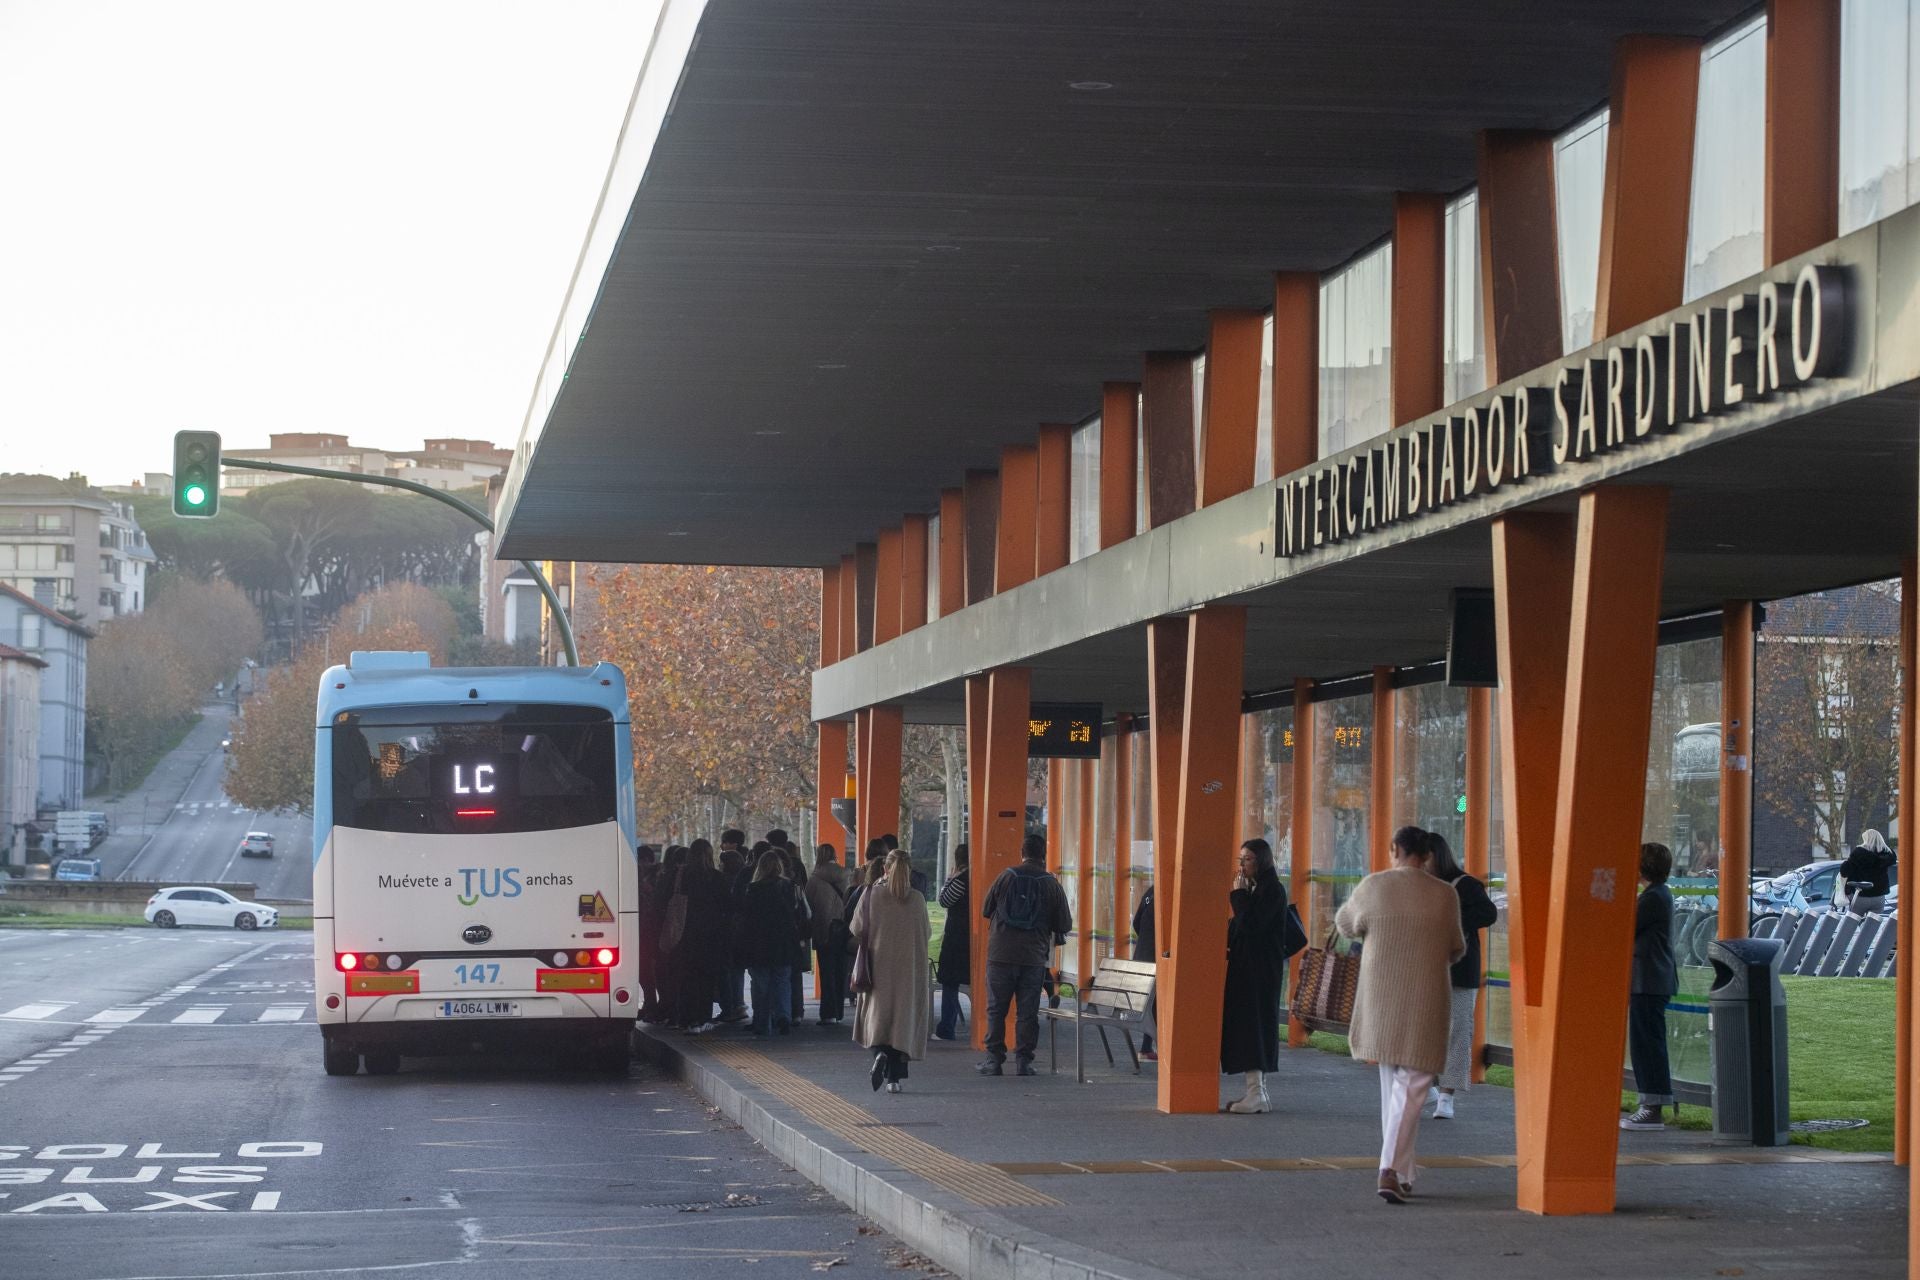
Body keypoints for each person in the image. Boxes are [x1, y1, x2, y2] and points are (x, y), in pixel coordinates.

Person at [1334, 832, 1465, 1204]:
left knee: (1393, 1086)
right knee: (1414, 1084)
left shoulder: (1374, 885)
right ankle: (1390, 1170)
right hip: (1426, 999)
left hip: (1380, 999)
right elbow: (1457, 947)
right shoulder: (1445, 893)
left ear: (1394, 850)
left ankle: (1400, 1172)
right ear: (1427, 855)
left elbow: (1346, 925)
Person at [977, 834, 1073, 1077]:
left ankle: (993, 1060)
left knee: (996, 1009)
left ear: (1022, 852)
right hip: (1032, 957)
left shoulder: (1007, 876)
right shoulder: (1051, 884)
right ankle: (1023, 1061)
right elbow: (1064, 924)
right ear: (1043, 856)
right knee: (1027, 1011)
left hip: (1000, 954)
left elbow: (986, 909)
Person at [1420, 829, 1497, 1120]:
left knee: (1458, 1032)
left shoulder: (1465, 885)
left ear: (1436, 857)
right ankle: (1426, 1084)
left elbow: (1488, 914)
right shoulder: (1419, 887)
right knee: (1424, 1032)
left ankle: (1446, 1096)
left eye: (1424, 858)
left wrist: (1450, 919)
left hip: (1460, 970)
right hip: (1427, 970)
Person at [852, 850, 932, 1092]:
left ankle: (879, 1053)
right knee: (902, 1022)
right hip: (909, 970)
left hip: (878, 968)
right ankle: (894, 1080)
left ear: (885, 869)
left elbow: (856, 928)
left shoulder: (871, 895)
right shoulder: (917, 899)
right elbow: (926, 933)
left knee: (878, 1018)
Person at [1221, 839, 1289, 1114]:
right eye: (1241, 859)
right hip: (1253, 969)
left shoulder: (1271, 890)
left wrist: (1238, 897)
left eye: (1247, 859)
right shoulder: (1259, 888)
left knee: (1254, 1027)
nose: (1242, 865)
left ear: (1261, 860)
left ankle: (1256, 1093)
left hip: (1258, 972)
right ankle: (1256, 1090)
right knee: (1252, 1026)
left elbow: (1251, 925)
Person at [1622, 842, 1678, 1131]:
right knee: (1645, 1042)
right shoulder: (1657, 895)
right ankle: (1650, 1102)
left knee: (1647, 1045)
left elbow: (1623, 925)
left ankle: (1653, 1106)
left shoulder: (1653, 898)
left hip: (1649, 980)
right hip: (1650, 979)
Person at [739, 849, 802, 1035]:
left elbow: (747, 919)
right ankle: (783, 1016)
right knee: (782, 981)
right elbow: (797, 915)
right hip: (783, 943)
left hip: (759, 944)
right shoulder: (788, 886)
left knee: (760, 984)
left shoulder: (753, 889)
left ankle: (762, 1022)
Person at [671, 839, 730, 1031]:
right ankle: (702, 1018)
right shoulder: (716, 878)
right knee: (706, 978)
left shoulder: (681, 876)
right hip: (711, 935)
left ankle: (685, 1017)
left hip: (684, 933)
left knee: (686, 978)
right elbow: (727, 905)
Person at [806, 844, 850, 1024]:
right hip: (843, 929)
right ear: (835, 855)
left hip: (823, 930)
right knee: (841, 970)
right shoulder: (846, 875)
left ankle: (828, 1013)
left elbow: (807, 905)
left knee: (827, 972)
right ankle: (839, 1010)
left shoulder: (814, 879)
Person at [647, 845, 688, 1026]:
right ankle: (682, 1012)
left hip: (665, 933)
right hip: (689, 936)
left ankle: (669, 1009)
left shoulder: (665, 877)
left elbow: (656, 905)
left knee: (666, 974)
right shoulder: (701, 876)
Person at [934, 851, 970, 1040]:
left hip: (956, 938)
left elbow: (943, 901)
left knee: (950, 983)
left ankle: (947, 1028)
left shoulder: (960, 880)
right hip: (972, 939)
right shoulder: (979, 877)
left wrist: (949, 879)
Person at [716, 828, 751, 1023]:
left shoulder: (721, 881)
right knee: (737, 970)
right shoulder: (746, 878)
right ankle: (738, 1004)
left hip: (726, 932)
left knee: (726, 970)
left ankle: (730, 1006)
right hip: (741, 932)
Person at [1841, 829, 1897, 914]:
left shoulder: (1858, 854)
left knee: (1853, 923)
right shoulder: (1886, 855)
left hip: (1860, 895)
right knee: (1872, 925)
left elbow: (1844, 871)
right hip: (1879, 897)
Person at [1132, 883, 1157, 1059]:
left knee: (1153, 1002)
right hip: (1158, 957)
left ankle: (1147, 1047)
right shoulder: (1175, 891)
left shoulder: (1151, 891)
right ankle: (1148, 1047)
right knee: (1156, 1002)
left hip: (1143, 956)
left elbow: (1136, 922)